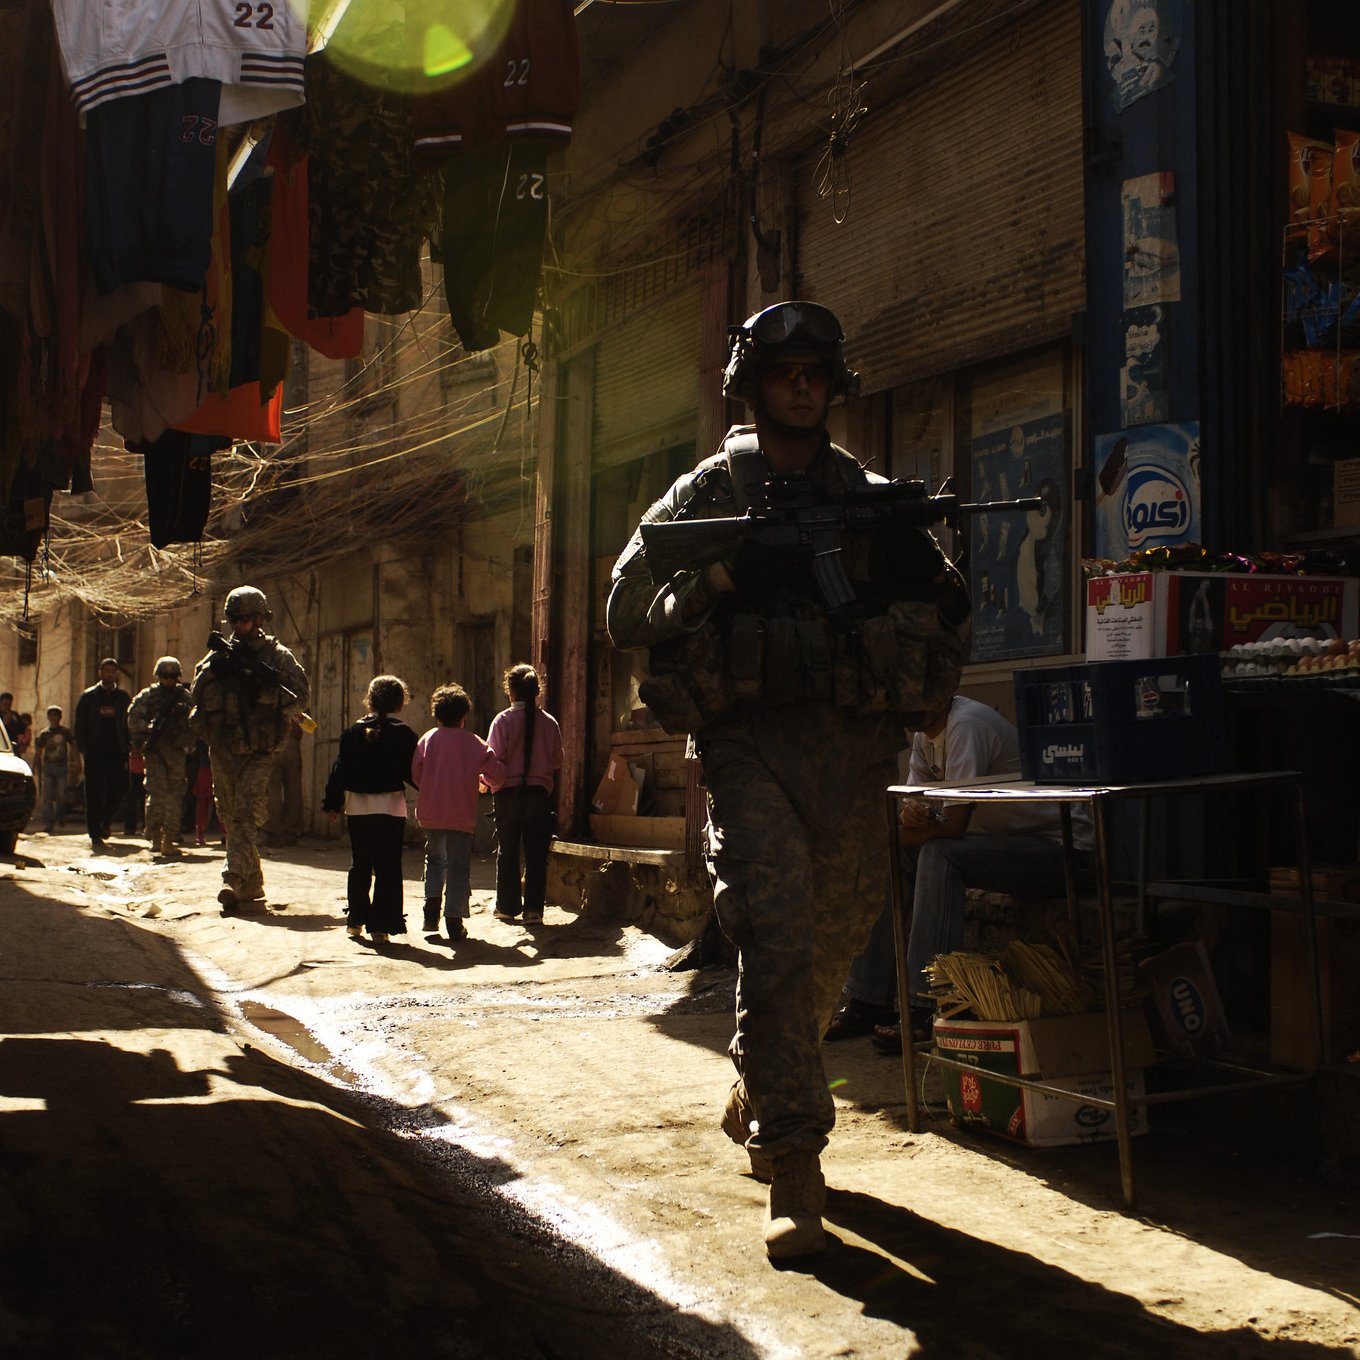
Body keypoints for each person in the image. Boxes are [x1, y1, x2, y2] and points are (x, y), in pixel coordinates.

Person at [606, 300, 970, 1259]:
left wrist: (926, 677)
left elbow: (946, 603)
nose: (801, 388)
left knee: (829, 952)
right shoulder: (709, 492)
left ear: (833, 385)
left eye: (815, 373)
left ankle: (765, 1082)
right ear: (753, 387)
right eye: (783, 374)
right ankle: (796, 1160)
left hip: (854, 755)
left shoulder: (871, 498)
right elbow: (626, 607)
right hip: (750, 747)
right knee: (772, 934)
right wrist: (724, 578)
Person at [824, 695, 1092, 1052]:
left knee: (940, 854)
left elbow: (952, 826)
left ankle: (925, 1007)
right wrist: (898, 826)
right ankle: (868, 1000)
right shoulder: (924, 738)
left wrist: (909, 827)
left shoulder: (966, 725)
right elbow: (904, 823)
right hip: (1006, 846)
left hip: (1062, 850)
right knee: (896, 854)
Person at [190, 586, 309, 910]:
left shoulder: (277, 657)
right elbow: (196, 696)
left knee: (243, 815)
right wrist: (215, 673)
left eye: (246, 619)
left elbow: (300, 697)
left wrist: (265, 693)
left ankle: (231, 878)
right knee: (229, 814)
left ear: (260, 619)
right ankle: (253, 882)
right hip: (224, 747)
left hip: (261, 749)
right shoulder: (219, 655)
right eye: (234, 619)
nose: (239, 625)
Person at [321, 675, 418, 944]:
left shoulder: (352, 732)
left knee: (360, 864)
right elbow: (413, 773)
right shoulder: (404, 734)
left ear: (370, 700)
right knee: (387, 866)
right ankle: (381, 926)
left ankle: (355, 920)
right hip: (390, 808)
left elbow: (339, 770)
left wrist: (331, 803)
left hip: (357, 809)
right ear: (400, 702)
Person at [411, 683, 506, 944]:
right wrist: (484, 782)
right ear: (465, 715)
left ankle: (431, 908)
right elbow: (497, 774)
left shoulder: (428, 739)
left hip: (430, 812)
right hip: (461, 815)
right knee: (458, 866)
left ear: (437, 715)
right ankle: (454, 919)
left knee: (434, 859)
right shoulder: (475, 743)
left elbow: (417, 775)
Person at [484, 664, 562, 927]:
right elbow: (557, 760)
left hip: (507, 795)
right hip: (538, 796)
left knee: (507, 851)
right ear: (536, 692)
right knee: (536, 854)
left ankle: (506, 907)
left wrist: (487, 782)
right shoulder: (549, 722)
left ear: (511, 692)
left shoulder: (502, 721)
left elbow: (493, 761)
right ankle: (533, 911)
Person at [127, 657, 196, 858]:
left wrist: (186, 737)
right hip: (156, 751)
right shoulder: (148, 696)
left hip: (176, 750)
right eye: (165, 676)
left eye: (172, 676)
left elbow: (197, 721)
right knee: (156, 793)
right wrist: (150, 729)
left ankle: (169, 838)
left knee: (175, 794)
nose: (168, 680)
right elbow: (133, 718)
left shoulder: (184, 697)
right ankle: (155, 835)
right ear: (158, 676)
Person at [73, 658, 131, 851]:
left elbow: (128, 724)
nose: (109, 674)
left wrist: (129, 747)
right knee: (94, 793)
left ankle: (106, 820)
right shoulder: (89, 697)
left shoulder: (123, 698)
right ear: (100, 672)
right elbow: (79, 725)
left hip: (117, 751)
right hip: (94, 751)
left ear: (116, 674)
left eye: (112, 671)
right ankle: (95, 833)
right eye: (106, 671)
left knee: (120, 786)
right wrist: (83, 749)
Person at [33, 706, 76, 832]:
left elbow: (73, 746)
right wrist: (34, 766)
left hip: (62, 766)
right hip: (48, 767)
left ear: (60, 717)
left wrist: (76, 762)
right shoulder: (44, 734)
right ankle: (48, 822)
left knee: (61, 794)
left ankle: (61, 816)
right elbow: (38, 751)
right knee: (47, 795)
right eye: (51, 715)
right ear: (48, 717)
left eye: (55, 715)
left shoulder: (65, 732)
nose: (53, 718)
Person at [265, 721, 304, 846]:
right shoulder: (296, 701)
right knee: (293, 790)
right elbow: (305, 724)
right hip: (291, 741)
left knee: (271, 790)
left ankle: (273, 832)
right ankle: (291, 831)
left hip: (271, 744)